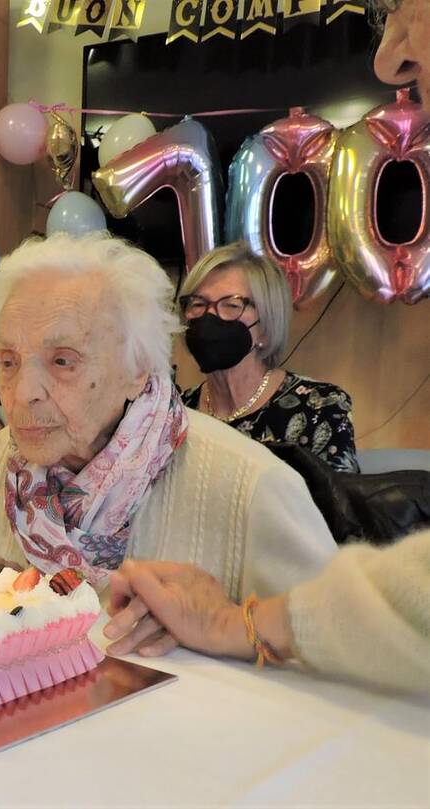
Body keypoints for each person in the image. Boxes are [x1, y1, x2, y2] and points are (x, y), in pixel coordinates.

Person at [103, 0, 430, 695]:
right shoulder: (167, 417)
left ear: (266, 317)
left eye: (231, 306)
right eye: (197, 306)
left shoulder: (315, 407)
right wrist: (233, 623)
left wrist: (244, 620)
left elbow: (334, 549)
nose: (389, 61)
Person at [0, 234, 337, 599]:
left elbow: (338, 644)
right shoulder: (4, 462)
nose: (22, 393)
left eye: (63, 361)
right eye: (8, 361)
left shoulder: (254, 489)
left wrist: (225, 625)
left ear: (138, 370)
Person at [178, 243, 359, 472]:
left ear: (264, 327)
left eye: (231, 305)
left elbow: (335, 504)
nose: (209, 317)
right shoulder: (176, 413)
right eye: (198, 304)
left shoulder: (321, 407)